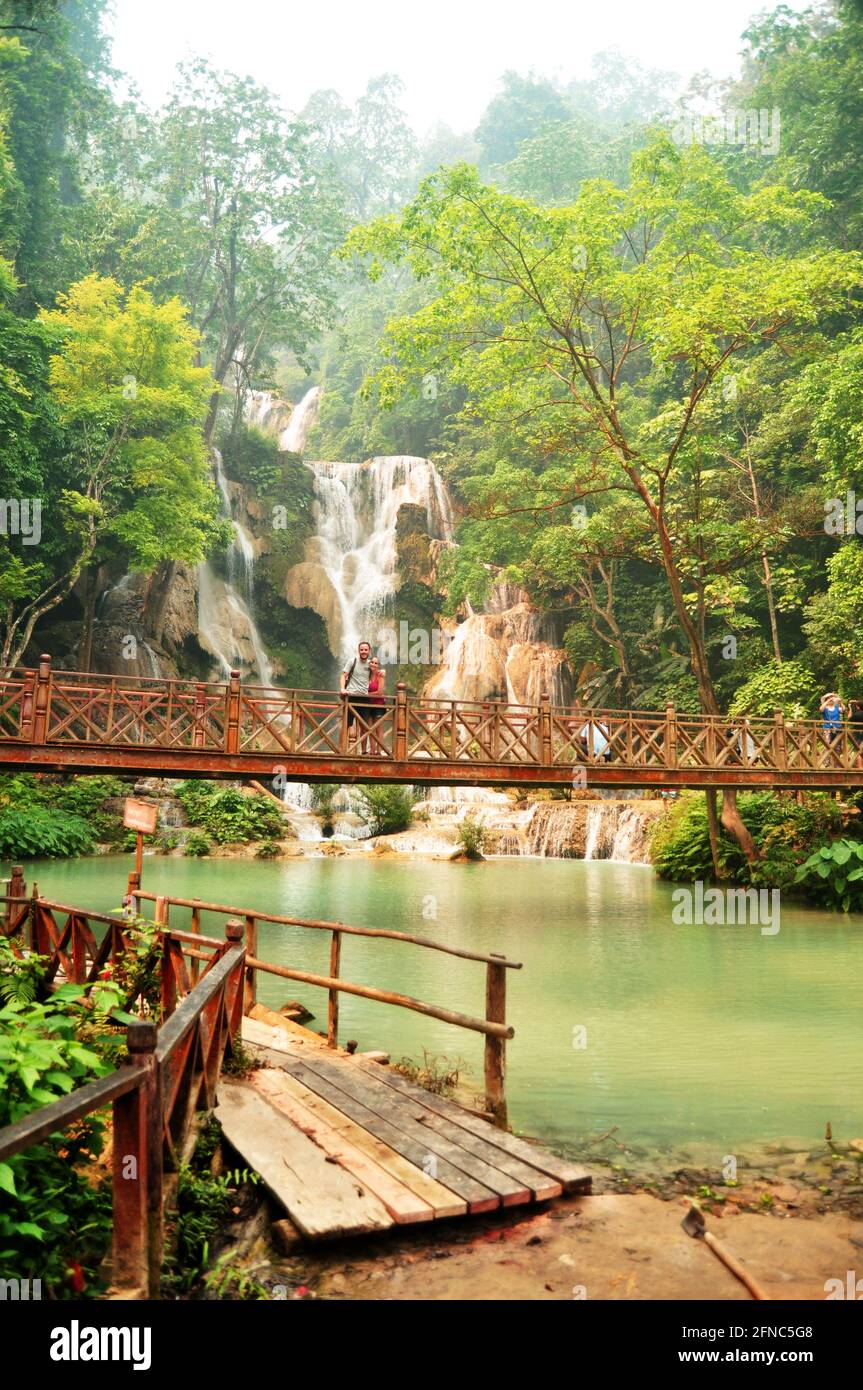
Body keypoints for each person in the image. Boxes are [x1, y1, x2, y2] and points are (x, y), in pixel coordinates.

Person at [340, 640, 375, 753]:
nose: (363, 652)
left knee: (364, 726)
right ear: (358, 650)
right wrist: (342, 689)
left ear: (369, 651)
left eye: (366, 650)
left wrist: (380, 673)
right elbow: (343, 675)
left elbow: (374, 679)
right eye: (362, 650)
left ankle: (363, 751)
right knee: (346, 724)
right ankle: (341, 749)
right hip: (351, 696)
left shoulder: (371, 665)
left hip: (364, 697)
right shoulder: (352, 661)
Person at [365, 656, 387, 755]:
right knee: (370, 729)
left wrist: (366, 694)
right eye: (372, 662)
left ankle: (379, 750)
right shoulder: (366, 675)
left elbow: (380, 692)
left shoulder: (380, 675)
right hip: (368, 704)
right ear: (369, 664)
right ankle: (372, 750)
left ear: (378, 666)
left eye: (376, 663)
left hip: (379, 705)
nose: (373, 664)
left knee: (379, 728)